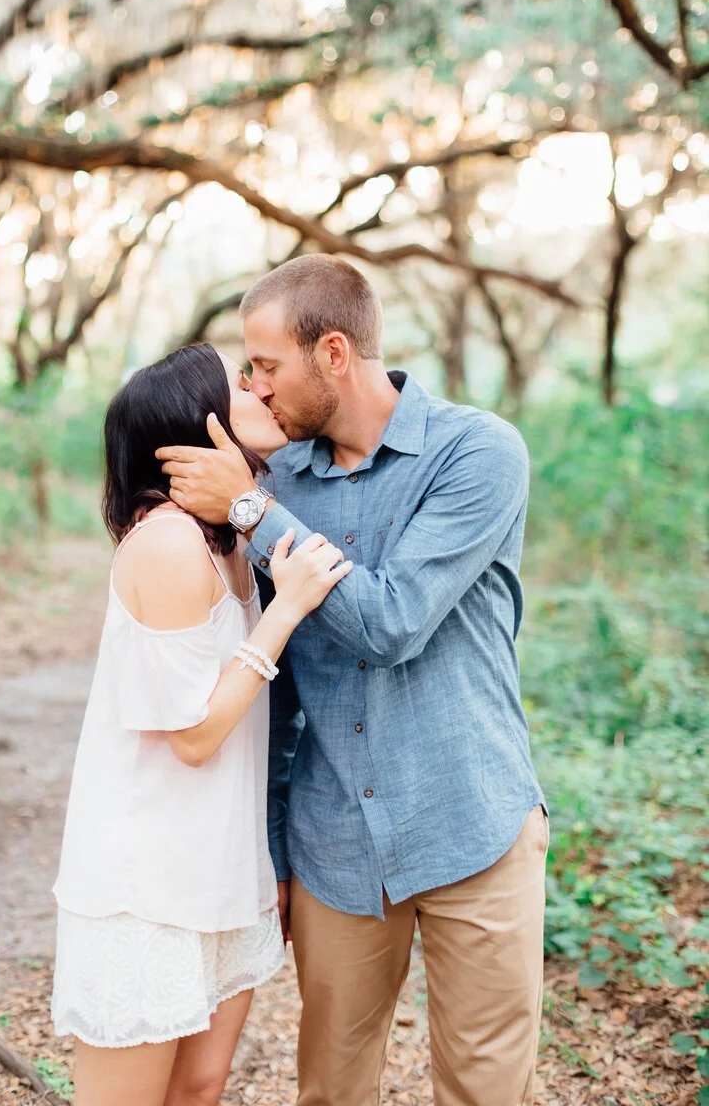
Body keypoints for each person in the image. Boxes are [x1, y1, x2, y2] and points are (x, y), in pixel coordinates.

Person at [158, 254, 548, 1106]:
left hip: (471, 824)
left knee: (488, 1088)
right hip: (335, 846)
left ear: (334, 352)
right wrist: (272, 849)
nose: (254, 390)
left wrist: (252, 515)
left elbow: (392, 621)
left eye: (266, 367)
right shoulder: (281, 480)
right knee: (332, 1089)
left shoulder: (477, 453)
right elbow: (275, 687)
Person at [50, 342, 352, 1106]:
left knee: (201, 1086)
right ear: (205, 425)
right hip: (145, 884)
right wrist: (285, 609)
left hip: (217, 869)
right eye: (240, 384)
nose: (261, 388)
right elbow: (192, 737)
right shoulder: (168, 546)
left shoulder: (230, 542)